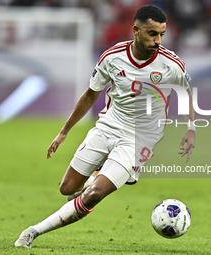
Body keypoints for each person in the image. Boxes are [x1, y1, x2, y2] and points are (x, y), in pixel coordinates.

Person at [15, 4, 195, 248]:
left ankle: (33, 232)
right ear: (136, 30)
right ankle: (98, 174)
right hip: (108, 125)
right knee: (68, 188)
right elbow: (91, 94)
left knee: (94, 195)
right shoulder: (112, 57)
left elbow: (185, 93)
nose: (158, 40)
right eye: (153, 33)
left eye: (162, 34)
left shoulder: (171, 65)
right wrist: (63, 132)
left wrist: (191, 128)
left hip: (139, 138)